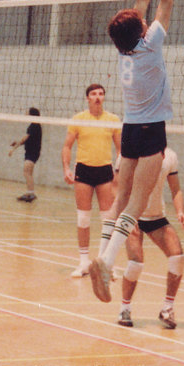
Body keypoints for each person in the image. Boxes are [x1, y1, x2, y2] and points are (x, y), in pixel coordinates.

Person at [89, 0, 183, 303]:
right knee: (137, 203)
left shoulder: (124, 51)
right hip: (150, 133)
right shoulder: (151, 45)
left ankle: (102, 259)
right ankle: (106, 260)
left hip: (128, 129)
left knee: (118, 199)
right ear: (141, 30)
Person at [117, 147, 184, 330]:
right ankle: (124, 308)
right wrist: (124, 216)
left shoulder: (170, 156)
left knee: (178, 257)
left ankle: (167, 309)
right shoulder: (129, 153)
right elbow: (117, 187)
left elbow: (176, 188)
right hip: (132, 215)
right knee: (136, 263)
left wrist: (180, 211)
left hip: (156, 217)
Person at [61, 85, 121, 277]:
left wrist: (120, 174)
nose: (97, 97)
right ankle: (84, 262)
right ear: (87, 98)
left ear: (104, 97)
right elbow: (67, 146)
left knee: (108, 218)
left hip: (105, 171)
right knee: (83, 217)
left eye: (101, 94)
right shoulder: (78, 119)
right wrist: (66, 168)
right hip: (84, 170)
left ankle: (105, 262)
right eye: (94, 94)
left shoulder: (113, 120)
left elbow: (121, 150)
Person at [9, 107, 43, 202]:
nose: (26, 114)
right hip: (31, 152)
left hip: (32, 152)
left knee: (26, 172)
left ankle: (31, 193)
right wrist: (17, 143)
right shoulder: (34, 125)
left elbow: (25, 138)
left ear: (32, 115)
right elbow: (27, 139)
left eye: (27, 113)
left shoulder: (34, 125)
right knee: (28, 173)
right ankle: (29, 193)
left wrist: (13, 149)